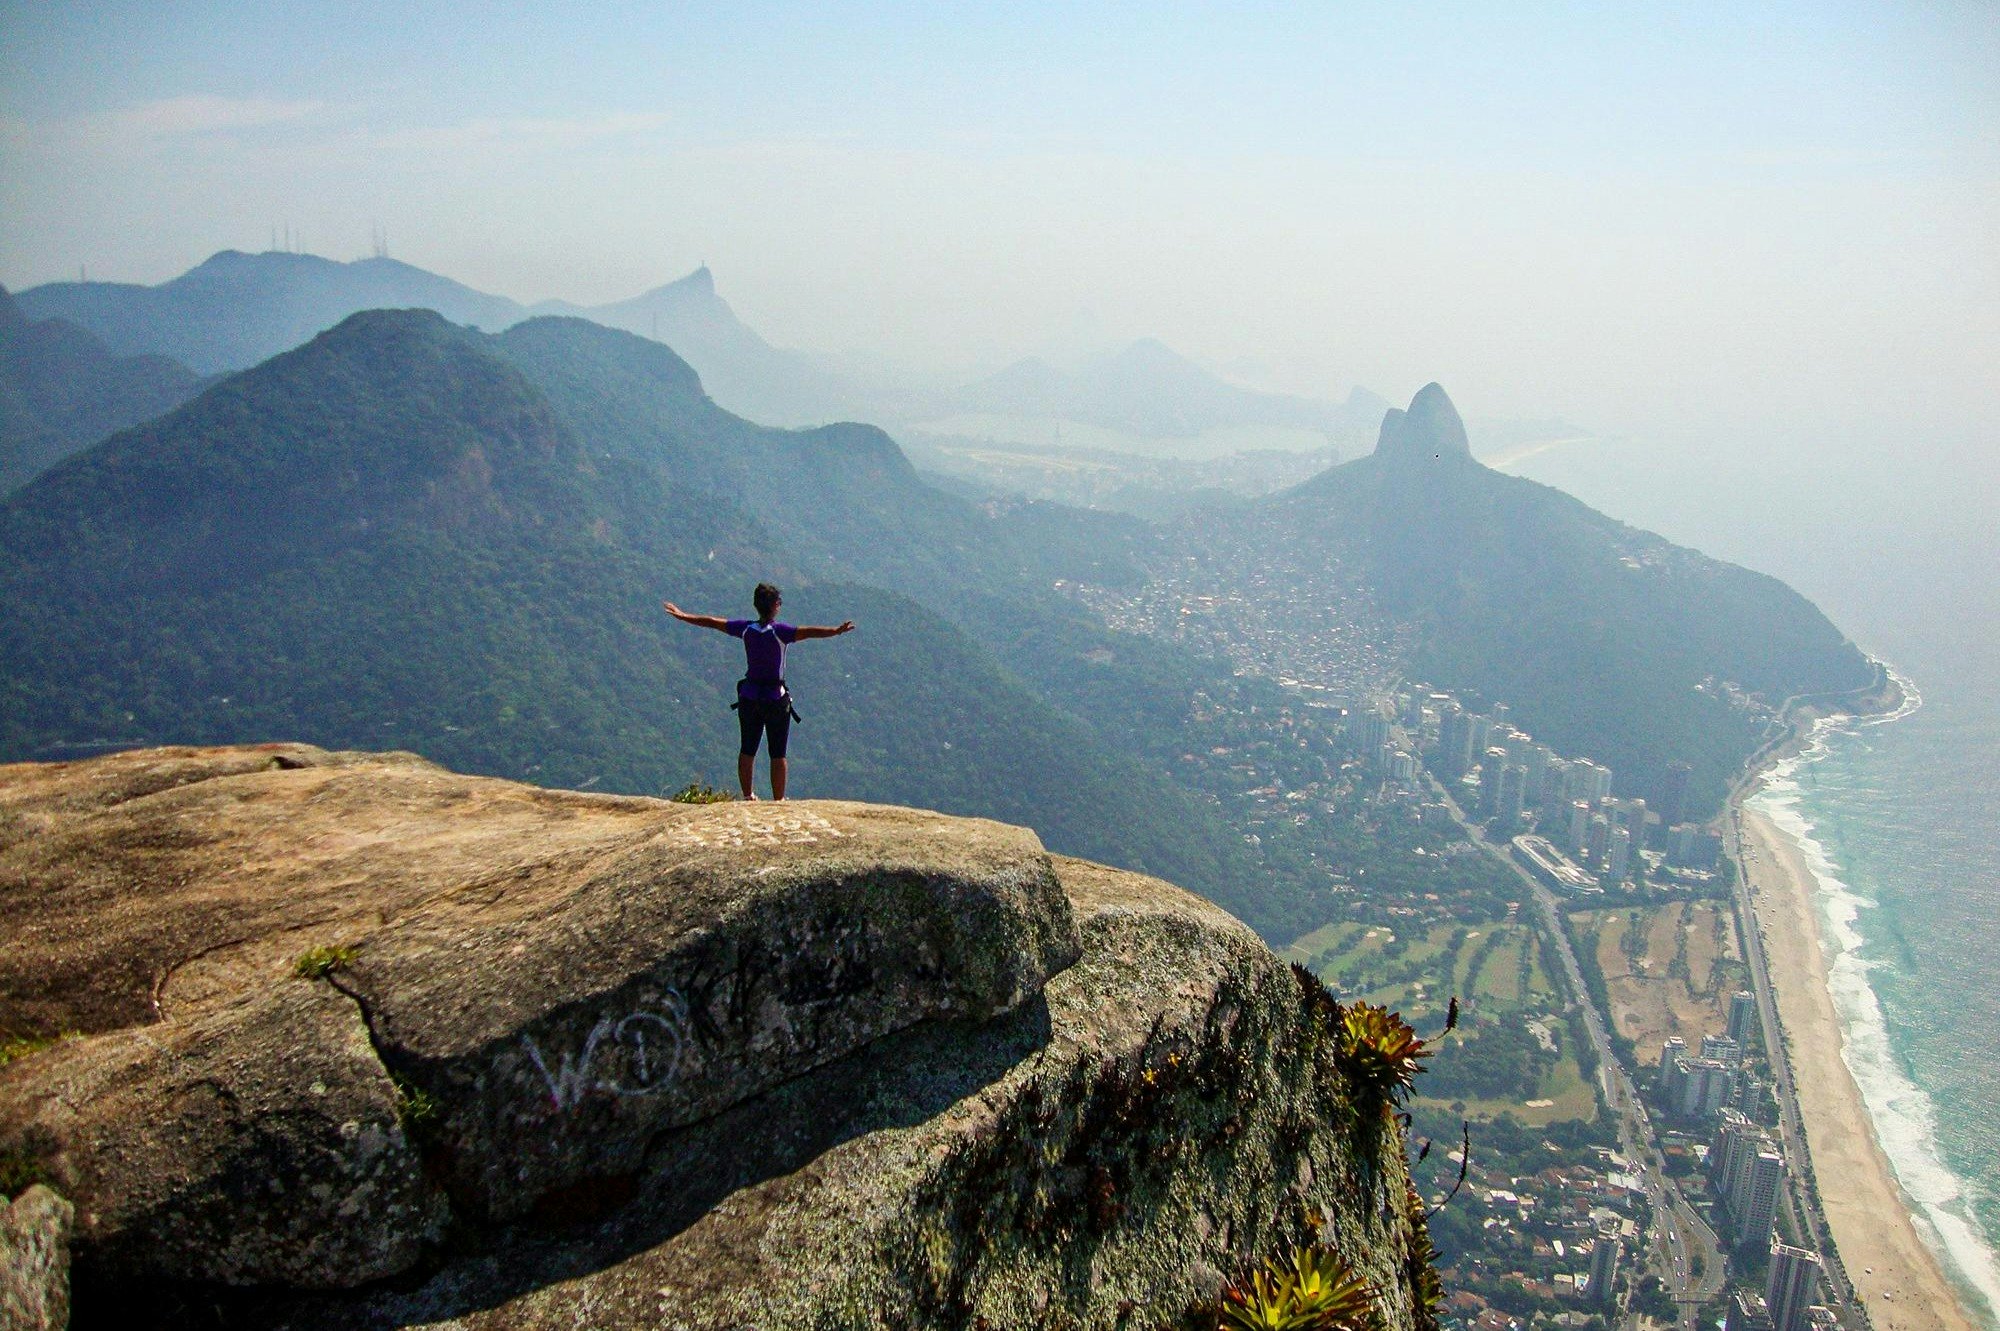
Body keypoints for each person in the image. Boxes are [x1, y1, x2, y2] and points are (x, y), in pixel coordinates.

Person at [662, 583, 854, 800]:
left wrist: (683, 616)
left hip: (749, 697)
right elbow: (809, 632)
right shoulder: (780, 632)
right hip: (775, 699)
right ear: (776, 605)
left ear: (755, 605)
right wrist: (835, 631)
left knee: (747, 748)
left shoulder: (746, 629)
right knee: (778, 752)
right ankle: (778, 800)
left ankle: (747, 796)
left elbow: (712, 622)